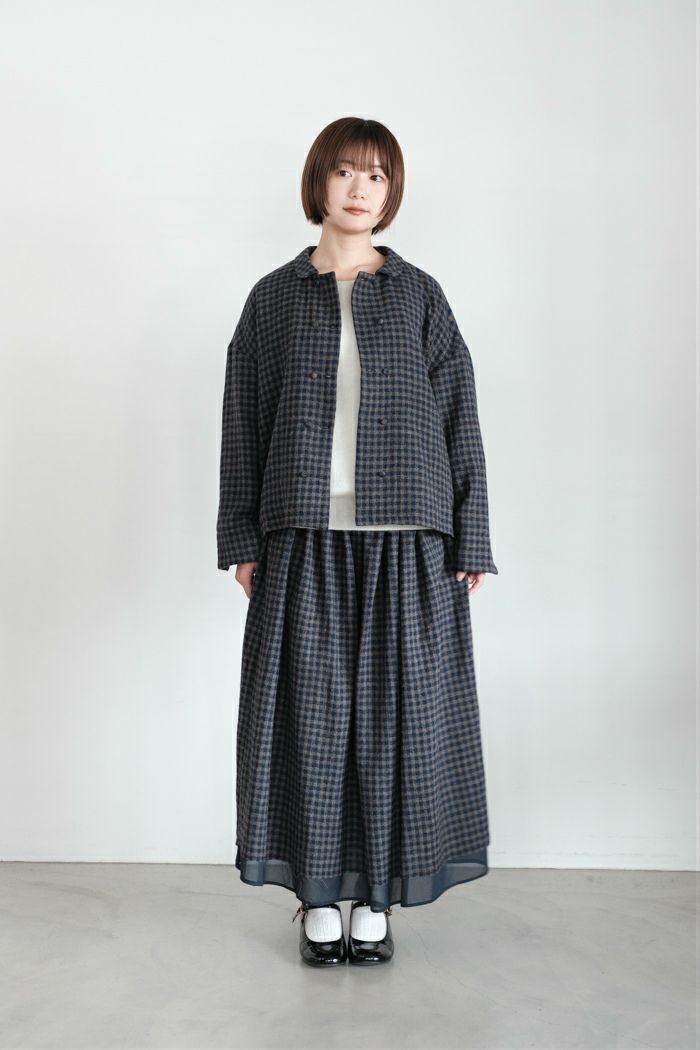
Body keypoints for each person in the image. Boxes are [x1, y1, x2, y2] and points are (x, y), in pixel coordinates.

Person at [216, 116, 499, 967]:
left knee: (399, 722)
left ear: (391, 191)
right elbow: (243, 421)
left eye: (376, 175)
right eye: (345, 171)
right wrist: (241, 535)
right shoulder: (273, 298)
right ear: (320, 183)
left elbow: (459, 415)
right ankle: (316, 896)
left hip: (408, 535)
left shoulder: (420, 296)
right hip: (301, 531)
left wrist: (472, 536)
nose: (359, 188)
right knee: (307, 722)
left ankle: (377, 896)